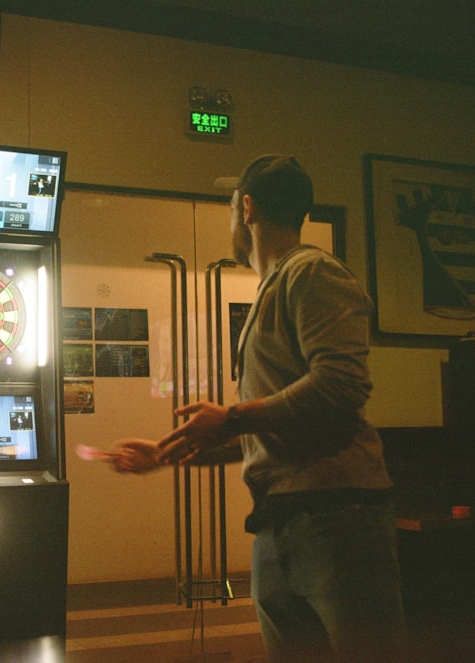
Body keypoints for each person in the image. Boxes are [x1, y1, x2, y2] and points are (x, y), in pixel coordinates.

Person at [111, 155, 406, 662]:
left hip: (337, 520)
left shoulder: (312, 272)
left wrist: (231, 417)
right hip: (279, 522)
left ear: (246, 209)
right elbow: (277, 425)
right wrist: (165, 453)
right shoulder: (273, 288)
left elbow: (341, 384)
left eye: (232, 206)